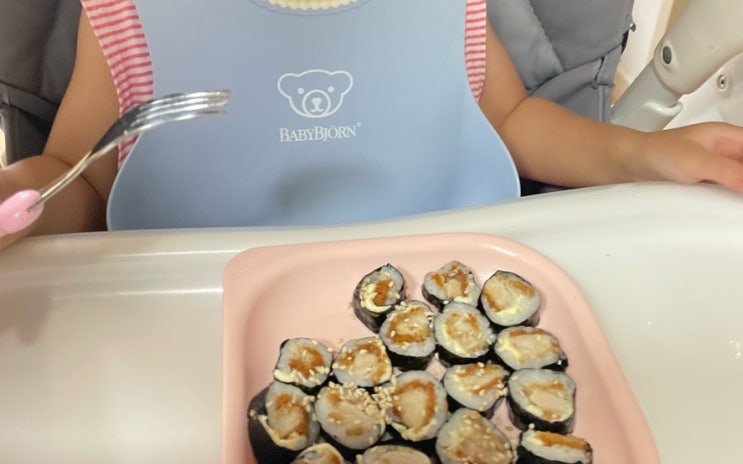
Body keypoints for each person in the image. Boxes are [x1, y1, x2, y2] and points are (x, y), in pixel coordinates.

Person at [1, 0, 743, 252]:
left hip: (443, 294)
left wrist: (638, 155)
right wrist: (20, 200)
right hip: (191, 320)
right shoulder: (132, 15)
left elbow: (511, 119)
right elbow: (79, 176)